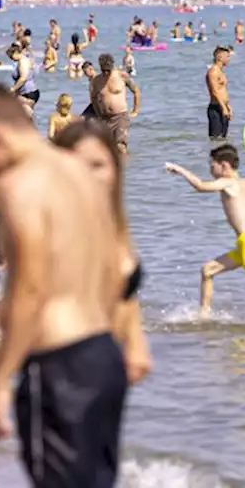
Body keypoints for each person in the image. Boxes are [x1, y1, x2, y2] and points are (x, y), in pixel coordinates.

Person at [0, 86, 130, 487]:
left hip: (59, 366)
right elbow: (117, 265)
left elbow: (30, 289)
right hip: (104, 355)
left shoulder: (21, 184)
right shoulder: (79, 171)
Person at [51, 120, 152, 386]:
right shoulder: (51, 228)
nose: (86, 174)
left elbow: (124, 291)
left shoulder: (114, 224)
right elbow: (20, 302)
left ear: (115, 168)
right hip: (58, 370)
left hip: (110, 368)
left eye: (97, 165)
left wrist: (135, 342)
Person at [165, 145, 245, 322]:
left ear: (224, 166)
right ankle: (204, 316)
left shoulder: (227, 182)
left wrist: (179, 169)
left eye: (212, 165)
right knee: (208, 271)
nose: (210, 169)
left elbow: (200, 186)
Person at [89, 54, 140, 154]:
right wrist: (98, 115)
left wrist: (135, 111)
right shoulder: (96, 81)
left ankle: (124, 167)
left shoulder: (122, 76)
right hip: (105, 118)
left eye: (108, 71)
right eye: (104, 71)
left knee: (120, 147)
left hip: (120, 116)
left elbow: (136, 91)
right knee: (106, 151)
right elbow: (93, 98)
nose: (106, 73)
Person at [205, 46, 232, 141]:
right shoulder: (213, 72)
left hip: (223, 107)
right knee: (216, 139)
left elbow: (223, 91)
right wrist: (223, 107)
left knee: (223, 138)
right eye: (227, 57)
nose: (229, 59)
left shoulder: (221, 72)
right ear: (220, 57)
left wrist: (228, 107)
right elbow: (214, 91)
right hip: (216, 108)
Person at [7, 43, 40, 110]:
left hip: (27, 93)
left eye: (11, 56)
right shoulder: (28, 59)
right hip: (30, 92)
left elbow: (23, 78)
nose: (11, 59)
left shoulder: (23, 61)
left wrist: (13, 89)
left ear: (16, 52)